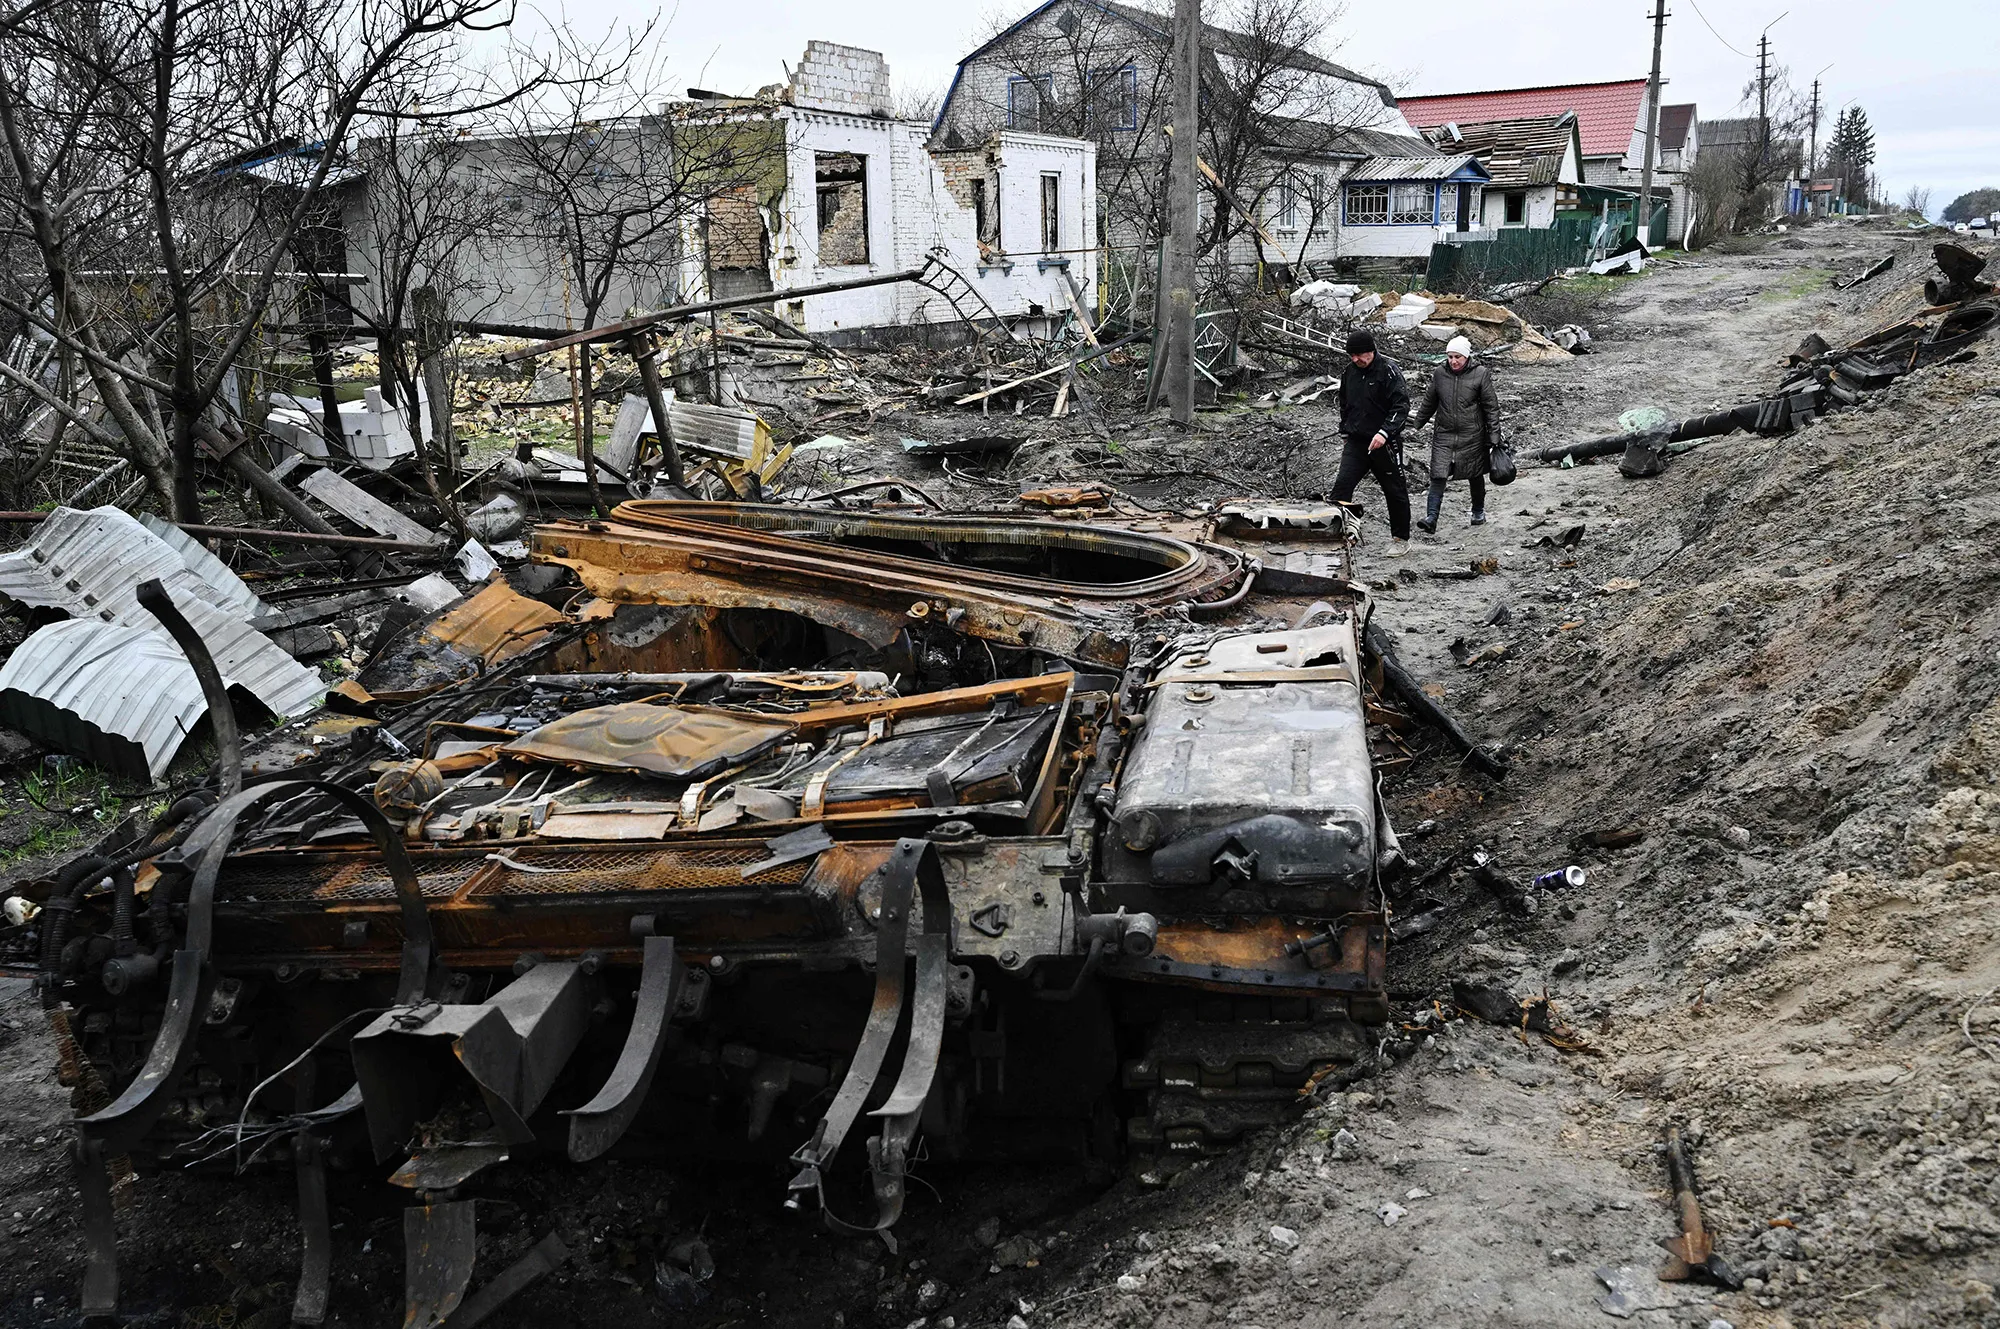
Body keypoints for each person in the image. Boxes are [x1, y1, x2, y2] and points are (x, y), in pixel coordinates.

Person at [1409, 335, 1501, 533]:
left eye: (1457, 357)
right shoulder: (1440, 374)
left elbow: (1491, 407)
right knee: (1438, 474)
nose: (1453, 361)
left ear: (1466, 356)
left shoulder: (1480, 374)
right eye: (1450, 357)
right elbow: (1429, 401)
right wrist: (1415, 425)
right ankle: (1431, 518)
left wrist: (1494, 437)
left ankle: (1478, 511)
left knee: (1474, 474)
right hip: (1444, 433)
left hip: (1472, 435)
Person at [1331, 329, 1411, 552]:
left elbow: (1401, 406)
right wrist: (1345, 431)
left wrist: (1385, 432)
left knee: (1394, 490)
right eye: (1352, 356)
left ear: (1371, 351)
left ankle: (1400, 540)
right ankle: (1337, 536)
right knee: (1340, 490)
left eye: (1360, 355)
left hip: (1384, 443)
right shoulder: (1349, 372)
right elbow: (1344, 403)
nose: (1356, 359)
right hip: (1356, 442)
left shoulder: (1389, 371)